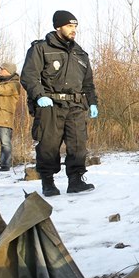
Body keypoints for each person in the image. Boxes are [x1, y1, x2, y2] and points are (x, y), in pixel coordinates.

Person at [20, 10, 99, 197]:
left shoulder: (81, 54)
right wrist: (39, 95)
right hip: (50, 105)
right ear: (58, 26)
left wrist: (93, 103)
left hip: (76, 106)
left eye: (75, 26)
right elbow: (29, 76)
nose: (74, 30)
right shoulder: (41, 49)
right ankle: (48, 183)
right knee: (48, 145)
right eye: (70, 26)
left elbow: (88, 83)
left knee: (78, 144)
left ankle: (76, 181)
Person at [0, 63, 21, 172]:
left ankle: (5, 166)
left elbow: (3, 90)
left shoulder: (14, 84)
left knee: (5, 143)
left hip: (5, 118)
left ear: (8, 71)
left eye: (3, 69)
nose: (0, 70)